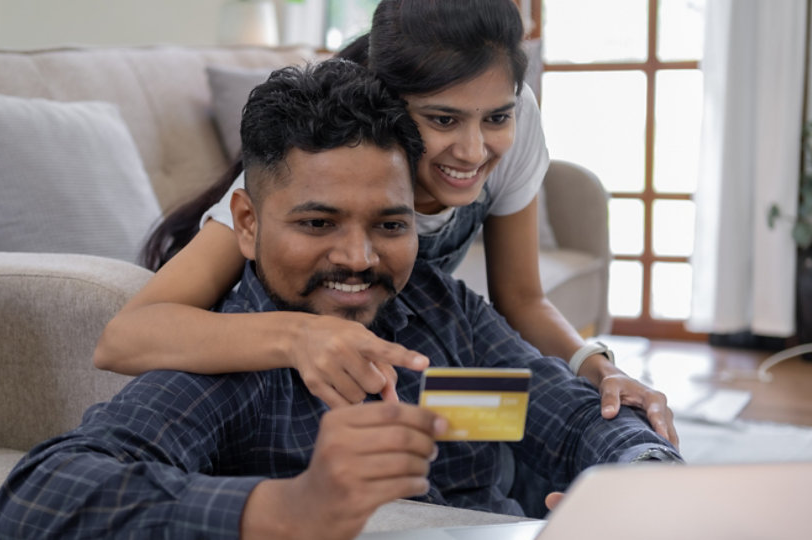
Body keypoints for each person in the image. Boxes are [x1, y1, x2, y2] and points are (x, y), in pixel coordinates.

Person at [0, 60, 680, 540]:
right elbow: (42, 492)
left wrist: (637, 480)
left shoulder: (435, 313)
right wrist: (288, 510)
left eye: (390, 225)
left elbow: (554, 411)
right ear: (250, 222)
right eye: (318, 224)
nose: (358, 258)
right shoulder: (230, 371)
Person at [94, 0, 677, 445]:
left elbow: (522, 299)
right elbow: (123, 339)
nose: (474, 151)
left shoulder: (515, 124)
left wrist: (600, 371)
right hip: (273, 343)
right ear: (386, 108)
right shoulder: (319, 171)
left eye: (495, 116)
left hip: (389, 328)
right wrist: (300, 337)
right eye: (443, 119)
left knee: (509, 423)